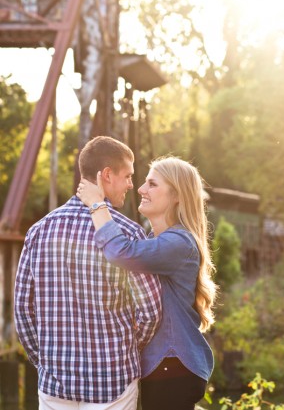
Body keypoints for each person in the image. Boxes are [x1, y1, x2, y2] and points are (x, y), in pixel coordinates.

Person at [14, 136, 162, 410]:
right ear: (106, 175)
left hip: (55, 386)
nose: (132, 184)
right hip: (112, 384)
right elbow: (151, 310)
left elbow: (23, 310)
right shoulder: (128, 233)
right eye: (127, 175)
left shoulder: (39, 231)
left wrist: (45, 361)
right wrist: (125, 353)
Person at [77, 155, 217, 410]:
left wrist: (98, 205)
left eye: (152, 184)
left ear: (177, 195)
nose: (141, 189)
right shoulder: (158, 241)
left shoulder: (178, 243)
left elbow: (121, 252)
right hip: (166, 367)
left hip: (172, 365)